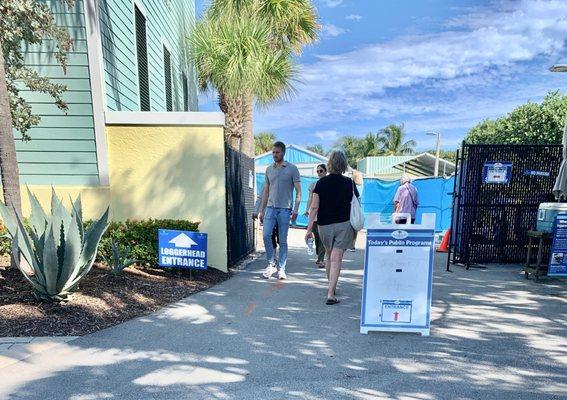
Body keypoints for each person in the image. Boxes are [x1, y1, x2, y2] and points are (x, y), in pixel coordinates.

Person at [305, 150, 359, 305]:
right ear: (343, 164)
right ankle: (330, 293)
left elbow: (314, 207)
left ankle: (331, 287)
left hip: (324, 225)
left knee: (329, 257)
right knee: (337, 259)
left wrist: (309, 229)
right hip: (344, 224)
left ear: (329, 164)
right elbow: (356, 203)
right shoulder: (349, 183)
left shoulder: (321, 183)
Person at [257, 142, 301, 280]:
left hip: (285, 209)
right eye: (273, 153)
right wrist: (262, 210)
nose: (275, 155)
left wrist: (295, 209)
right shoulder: (269, 169)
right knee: (266, 235)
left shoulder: (292, 169)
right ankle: (271, 264)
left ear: (283, 153)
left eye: (277, 152)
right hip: (270, 208)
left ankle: (282, 268)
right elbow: (266, 191)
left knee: (282, 240)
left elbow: (299, 191)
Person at [304, 164, 327, 267]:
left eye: (321, 171)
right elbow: (310, 199)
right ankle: (319, 254)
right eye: (317, 171)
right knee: (316, 236)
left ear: (326, 172)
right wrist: (307, 210)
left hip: (325, 215)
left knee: (322, 238)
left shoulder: (329, 183)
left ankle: (321, 259)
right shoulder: (313, 185)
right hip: (314, 215)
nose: (319, 173)